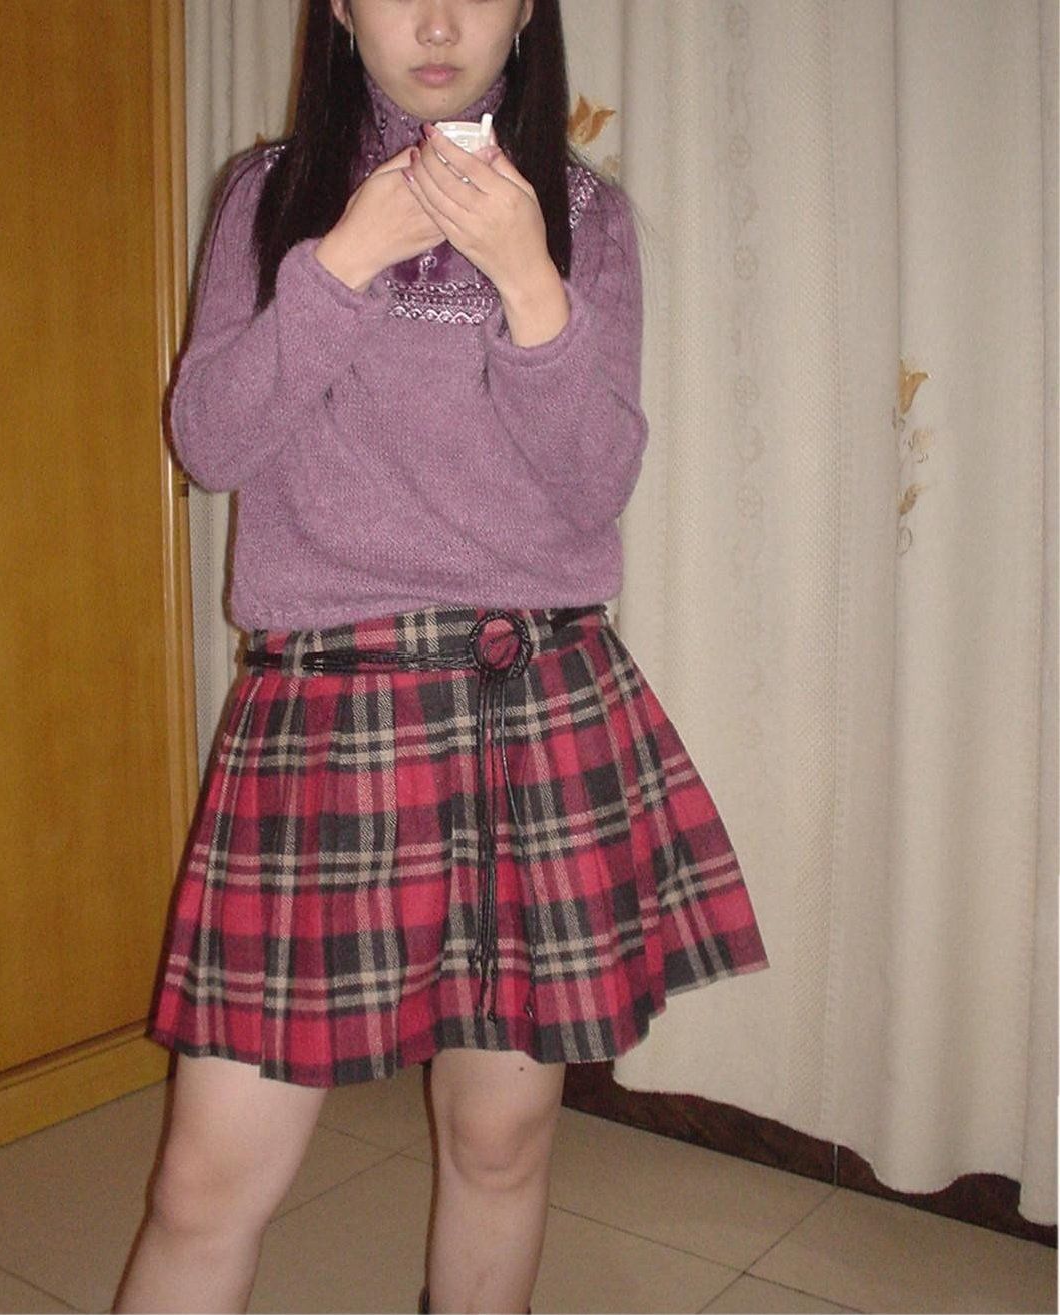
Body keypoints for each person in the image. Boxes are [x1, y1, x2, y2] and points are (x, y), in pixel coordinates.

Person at [114, 1, 770, 1311]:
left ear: (525, 7)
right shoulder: (271, 195)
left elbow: (593, 483)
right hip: (326, 711)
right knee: (204, 1185)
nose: (433, 20)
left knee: (500, 1144)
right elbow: (209, 443)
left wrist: (530, 281)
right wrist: (343, 261)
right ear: (339, 6)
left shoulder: (582, 215)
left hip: (537, 705)